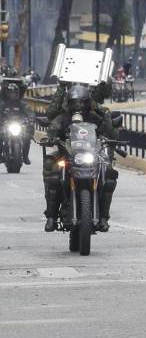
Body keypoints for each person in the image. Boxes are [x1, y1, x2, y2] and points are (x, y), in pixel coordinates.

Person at [43, 83, 119, 232]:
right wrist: (49, 137)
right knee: (51, 169)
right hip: (67, 155)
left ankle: (103, 217)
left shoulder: (95, 116)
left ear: (87, 102)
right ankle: (51, 216)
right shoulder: (63, 117)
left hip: (92, 155)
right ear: (69, 103)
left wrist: (104, 116)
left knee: (109, 172)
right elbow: (53, 127)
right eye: (74, 102)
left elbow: (111, 133)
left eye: (81, 102)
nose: (78, 105)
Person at [0, 74, 32, 166]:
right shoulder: (2, 104)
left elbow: (29, 112)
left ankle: (25, 156)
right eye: (11, 92)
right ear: (7, 93)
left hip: (18, 125)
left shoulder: (21, 103)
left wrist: (31, 118)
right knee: (1, 136)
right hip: (5, 125)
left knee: (27, 137)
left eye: (14, 92)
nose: (12, 94)